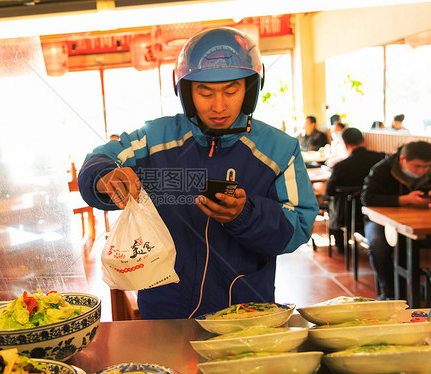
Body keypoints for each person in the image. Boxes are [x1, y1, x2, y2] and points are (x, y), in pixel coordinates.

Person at [77, 27, 319, 319]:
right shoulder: (155, 137)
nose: (219, 106)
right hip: (166, 311)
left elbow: (299, 225)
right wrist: (104, 176)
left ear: (251, 88)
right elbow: (101, 158)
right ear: (186, 92)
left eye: (232, 91)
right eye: (205, 92)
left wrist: (244, 215)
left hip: (244, 311)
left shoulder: (280, 149)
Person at [361, 140, 431, 300]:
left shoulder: (429, 170)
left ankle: (424, 290)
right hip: (380, 220)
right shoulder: (383, 169)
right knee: (378, 244)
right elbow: (368, 198)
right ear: (402, 160)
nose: (422, 171)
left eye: (426, 167)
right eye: (417, 166)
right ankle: (390, 293)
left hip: (419, 220)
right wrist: (405, 199)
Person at [325, 128, 385, 253]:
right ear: (364, 140)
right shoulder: (381, 159)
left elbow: (329, 191)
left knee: (333, 202)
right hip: (377, 209)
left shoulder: (341, 167)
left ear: (345, 144)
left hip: (347, 215)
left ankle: (340, 246)